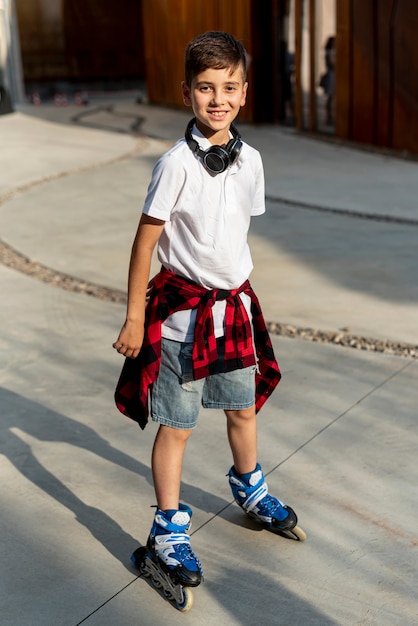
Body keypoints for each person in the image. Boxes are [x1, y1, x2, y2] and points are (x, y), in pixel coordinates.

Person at [113, 31, 300, 587]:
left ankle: (250, 486)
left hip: (233, 311)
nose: (217, 98)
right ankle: (167, 530)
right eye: (205, 88)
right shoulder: (175, 165)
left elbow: (234, 231)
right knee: (178, 425)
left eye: (229, 87)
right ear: (187, 93)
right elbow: (145, 241)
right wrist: (131, 316)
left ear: (244, 93)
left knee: (243, 410)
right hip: (180, 321)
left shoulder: (252, 162)